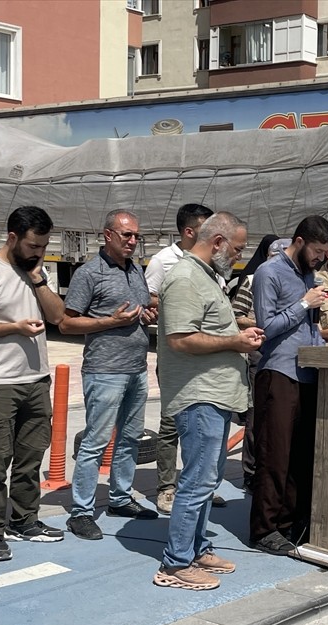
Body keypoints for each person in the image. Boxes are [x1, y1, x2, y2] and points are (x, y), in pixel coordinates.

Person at [153, 212, 262, 591]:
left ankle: (196, 548)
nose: (238, 256)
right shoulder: (184, 279)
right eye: (237, 249)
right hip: (198, 396)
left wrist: (240, 330)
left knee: (207, 479)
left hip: (214, 394)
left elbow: (207, 327)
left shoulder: (204, 277)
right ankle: (176, 563)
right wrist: (234, 342)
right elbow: (180, 339)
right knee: (197, 482)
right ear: (217, 241)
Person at [0, 206, 67, 562]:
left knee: (30, 456)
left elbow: (57, 317)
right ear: (12, 238)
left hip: (36, 379)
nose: (39, 252)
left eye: (43, 246)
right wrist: (13, 328)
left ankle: (25, 520)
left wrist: (38, 277)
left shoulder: (36, 272)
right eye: (33, 245)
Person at [60, 209, 159, 541]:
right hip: (104, 371)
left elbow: (137, 310)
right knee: (96, 442)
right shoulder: (89, 274)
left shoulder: (136, 271)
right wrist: (108, 322)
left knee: (130, 439)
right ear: (107, 235)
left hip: (135, 369)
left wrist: (146, 314)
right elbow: (67, 322)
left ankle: (119, 498)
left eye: (136, 236)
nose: (133, 242)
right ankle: (81, 512)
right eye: (126, 235)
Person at [249, 216, 328, 555]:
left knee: (300, 455)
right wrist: (303, 304)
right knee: (275, 455)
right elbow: (265, 327)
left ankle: (290, 522)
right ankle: (264, 529)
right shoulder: (269, 273)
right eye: (317, 251)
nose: (321, 258)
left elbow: (309, 329)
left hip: (309, 372)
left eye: (326, 253)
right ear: (299, 242)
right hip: (279, 372)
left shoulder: (310, 276)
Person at [144, 203, 212, 516]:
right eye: (206, 229)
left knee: (200, 423)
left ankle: (194, 487)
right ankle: (166, 488)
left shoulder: (211, 262)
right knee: (171, 422)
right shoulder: (163, 261)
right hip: (174, 355)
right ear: (188, 231)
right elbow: (147, 296)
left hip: (205, 354)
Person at [232, 236, 287, 491]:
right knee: (256, 414)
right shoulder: (253, 280)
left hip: (284, 355)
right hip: (259, 353)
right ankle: (250, 471)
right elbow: (236, 315)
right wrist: (260, 323)